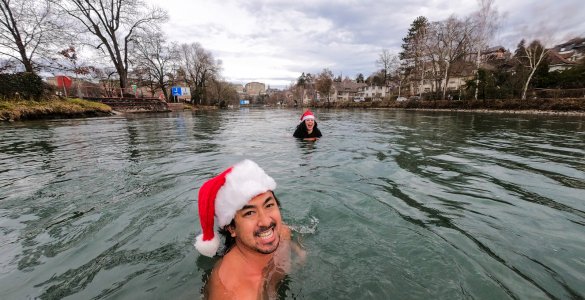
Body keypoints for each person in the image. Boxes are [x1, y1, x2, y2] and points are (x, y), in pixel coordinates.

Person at [195, 159, 306, 299]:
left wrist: (298, 248)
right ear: (231, 228)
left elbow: (285, 231)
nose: (266, 221)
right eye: (249, 213)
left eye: (269, 205)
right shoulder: (235, 293)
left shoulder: (281, 233)